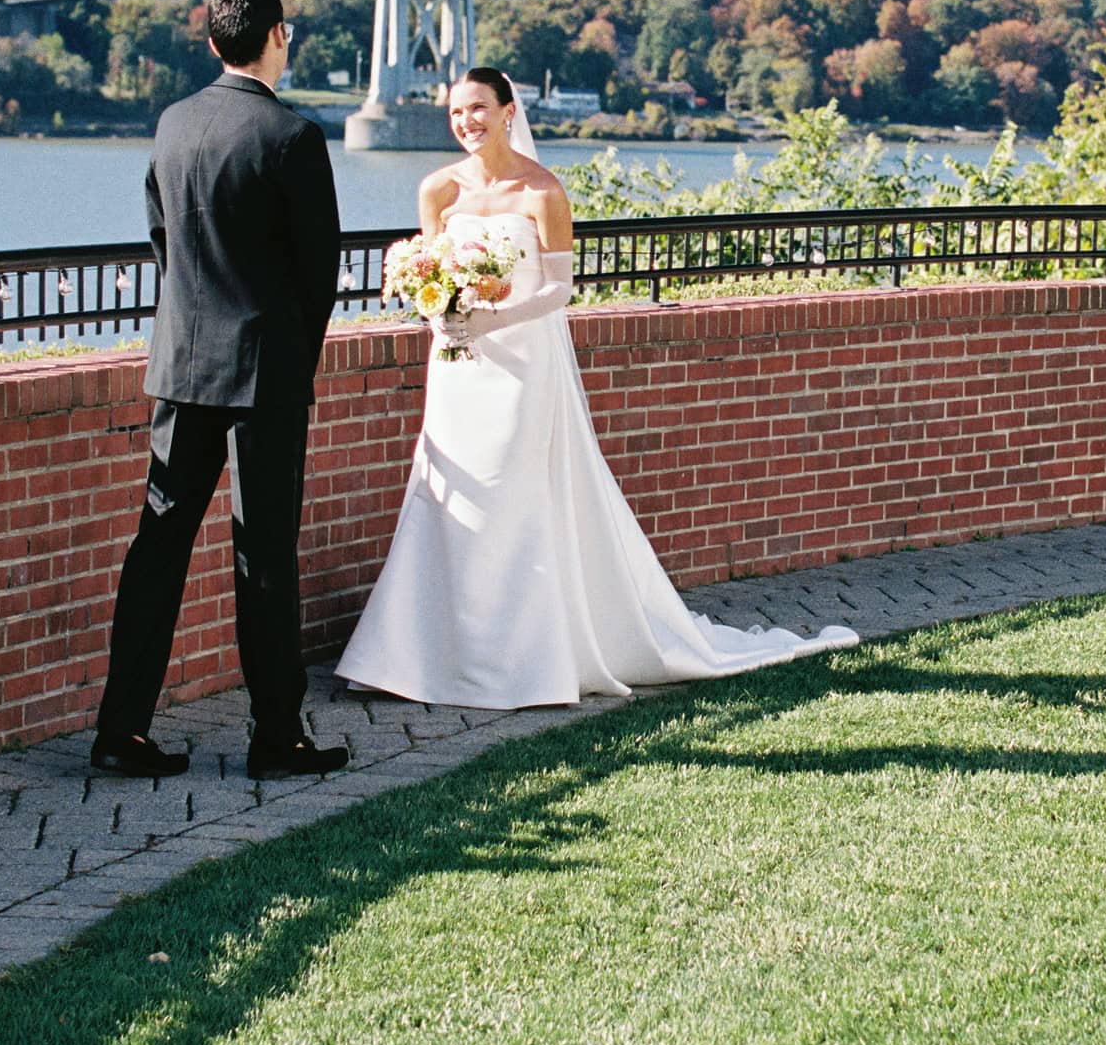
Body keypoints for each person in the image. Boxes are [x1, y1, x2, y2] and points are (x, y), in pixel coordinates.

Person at [335, 67, 855, 709]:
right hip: (458, 366)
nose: (466, 122)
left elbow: (559, 289)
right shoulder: (437, 188)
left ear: (508, 111)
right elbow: (429, 272)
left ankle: (522, 658)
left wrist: (493, 318)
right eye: (455, 113)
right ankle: (427, 655)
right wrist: (437, 311)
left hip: (522, 367)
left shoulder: (542, 190)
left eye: (478, 108)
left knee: (513, 495)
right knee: (447, 496)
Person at [91, 0, 350, 780]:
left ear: (212, 43)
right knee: (264, 553)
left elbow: (163, 241)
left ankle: (121, 728)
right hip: (262, 374)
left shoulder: (173, 123)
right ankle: (276, 736)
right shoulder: (293, 136)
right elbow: (318, 273)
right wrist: (294, 363)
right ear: (280, 36)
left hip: (182, 363)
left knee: (158, 545)